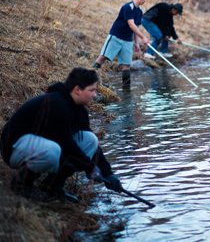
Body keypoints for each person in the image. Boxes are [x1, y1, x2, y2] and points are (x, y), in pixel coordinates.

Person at [0, 68, 122, 202]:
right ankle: (21, 184)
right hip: (13, 147)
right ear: (77, 90)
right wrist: (90, 167)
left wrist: (107, 173)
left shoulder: (79, 110)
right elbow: (66, 144)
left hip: (39, 144)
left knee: (90, 140)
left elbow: (91, 148)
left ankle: (52, 186)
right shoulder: (57, 104)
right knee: (52, 151)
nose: (94, 95)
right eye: (91, 90)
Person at [93, 0, 149, 86]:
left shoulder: (140, 11)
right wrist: (143, 37)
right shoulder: (127, 7)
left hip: (128, 40)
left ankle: (126, 90)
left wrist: (136, 43)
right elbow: (131, 24)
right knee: (102, 57)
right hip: (116, 36)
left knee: (126, 65)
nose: (145, 0)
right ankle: (89, 78)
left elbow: (135, 28)